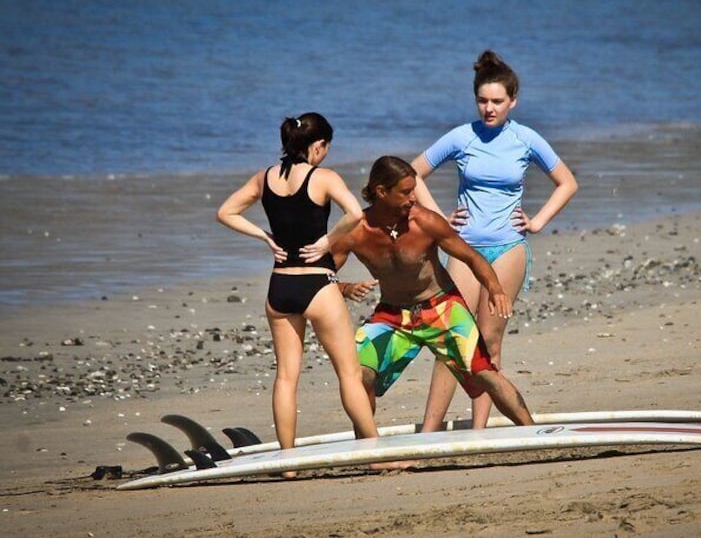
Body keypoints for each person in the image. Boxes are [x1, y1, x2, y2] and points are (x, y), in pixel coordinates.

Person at [409, 50, 579, 430]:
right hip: (464, 248)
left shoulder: (526, 139)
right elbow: (412, 174)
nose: (489, 108)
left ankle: (479, 431)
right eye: (483, 101)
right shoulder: (461, 136)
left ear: (512, 101)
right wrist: (437, 219)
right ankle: (429, 431)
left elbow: (567, 182)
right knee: (452, 341)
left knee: (489, 340)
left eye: (497, 102)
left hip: (508, 249)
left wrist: (536, 221)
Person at [216, 112, 378, 476]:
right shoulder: (323, 178)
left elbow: (225, 212)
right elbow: (355, 214)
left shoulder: (264, 178)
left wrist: (264, 237)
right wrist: (327, 240)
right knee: (349, 375)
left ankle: (287, 463)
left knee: (286, 378)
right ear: (317, 146)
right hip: (317, 285)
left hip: (280, 286)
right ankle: (376, 453)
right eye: (325, 148)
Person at [331, 155, 534, 430]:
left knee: (486, 373)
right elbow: (321, 272)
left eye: (413, 189)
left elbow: (472, 257)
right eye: (405, 192)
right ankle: (369, 447)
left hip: (442, 307)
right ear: (381, 192)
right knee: (359, 375)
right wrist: (344, 288)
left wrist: (494, 288)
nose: (413, 198)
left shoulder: (425, 222)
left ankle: (532, 431)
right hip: (392, 315)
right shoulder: (355, 232)